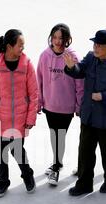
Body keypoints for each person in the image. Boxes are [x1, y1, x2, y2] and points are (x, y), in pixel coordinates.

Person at [64, 30, 106, 195]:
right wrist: (72, 67)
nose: (95, 47)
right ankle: (84, 184)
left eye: (99, 45)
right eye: (94, 44)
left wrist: (103, 96)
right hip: (89, 116)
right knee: (85, 152)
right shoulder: (91, 57)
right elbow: (80, 71)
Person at [0, 29, 38, 198]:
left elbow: (33, 94)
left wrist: (31, 118)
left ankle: (27, 175)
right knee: (0, 151)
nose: (23, 47)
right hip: (0, 116)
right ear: (9, 46)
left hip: (20, 117)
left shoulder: (27, 64)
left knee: (17, 149)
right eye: (20, 44)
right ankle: (3, 182)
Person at [37, 23, 84, 185]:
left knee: (60, 135)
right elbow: (39, 80)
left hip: (65, 107)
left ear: (67, 40)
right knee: (53, 133)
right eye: (55, 37)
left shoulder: (72, 57)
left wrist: (78, 106)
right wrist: (39, 102)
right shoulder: (44, 56)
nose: (57, 41)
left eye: (61, 38)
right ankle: (57, 162)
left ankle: (56, 166)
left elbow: (80, 83)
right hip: (49, 105)